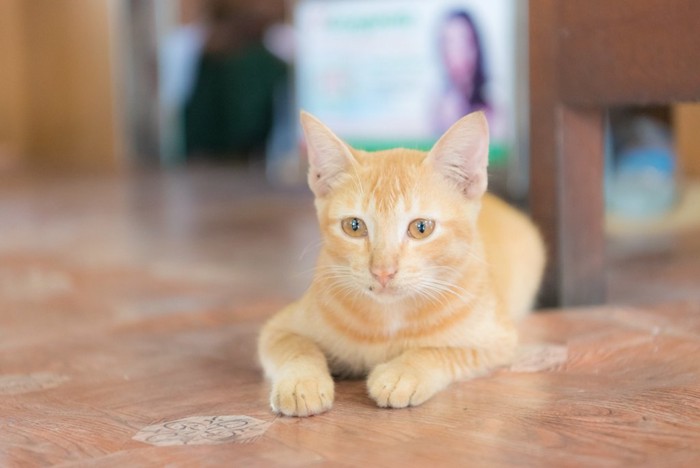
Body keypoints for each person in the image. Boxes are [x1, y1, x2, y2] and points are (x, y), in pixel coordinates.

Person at [435, 10, 490, 134]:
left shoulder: (495, 108)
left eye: (465, 42)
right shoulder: (436, 108)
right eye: (450, 43)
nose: (458, 53)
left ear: (477, 47)